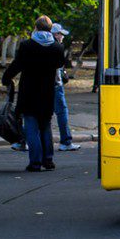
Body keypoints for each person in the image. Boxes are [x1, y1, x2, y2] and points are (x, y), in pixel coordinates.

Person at [2, 16, 67, 172]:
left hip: (29, 92)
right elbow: (59, 64)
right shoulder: (57, 48)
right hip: (47, 92)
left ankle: (35, 162)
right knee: (45, 126)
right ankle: (48, 160)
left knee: (31, 127)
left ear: (36, 28)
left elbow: (17, 65)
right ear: (50, 29)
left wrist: (6, 78)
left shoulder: (27, 45)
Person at [51, 23, 80, 151]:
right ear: (55, 34)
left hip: (42, 86)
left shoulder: (40, 45)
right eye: (61, 34)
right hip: (56, 85)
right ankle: (66, 141)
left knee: (38, 114)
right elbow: (59, 66)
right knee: (62, 112)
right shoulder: (57, 47)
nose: (62, 37)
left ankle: (25, 140)